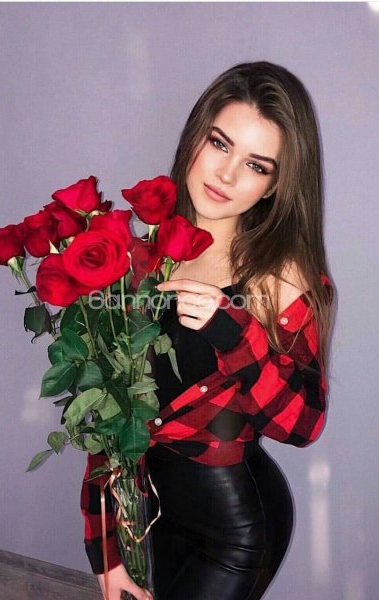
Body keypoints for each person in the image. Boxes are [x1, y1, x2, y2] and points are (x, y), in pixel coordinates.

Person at [80, 61, 335, 600]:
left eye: (256, 165)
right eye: (220, 144)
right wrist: (106, 550)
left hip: (236, 534)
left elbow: (304, 424)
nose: (226, 175)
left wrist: (235, 335)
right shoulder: (142, 257)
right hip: (151, 515)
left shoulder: (282, 276)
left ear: (275, 185)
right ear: (196, 135)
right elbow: (110, 414)